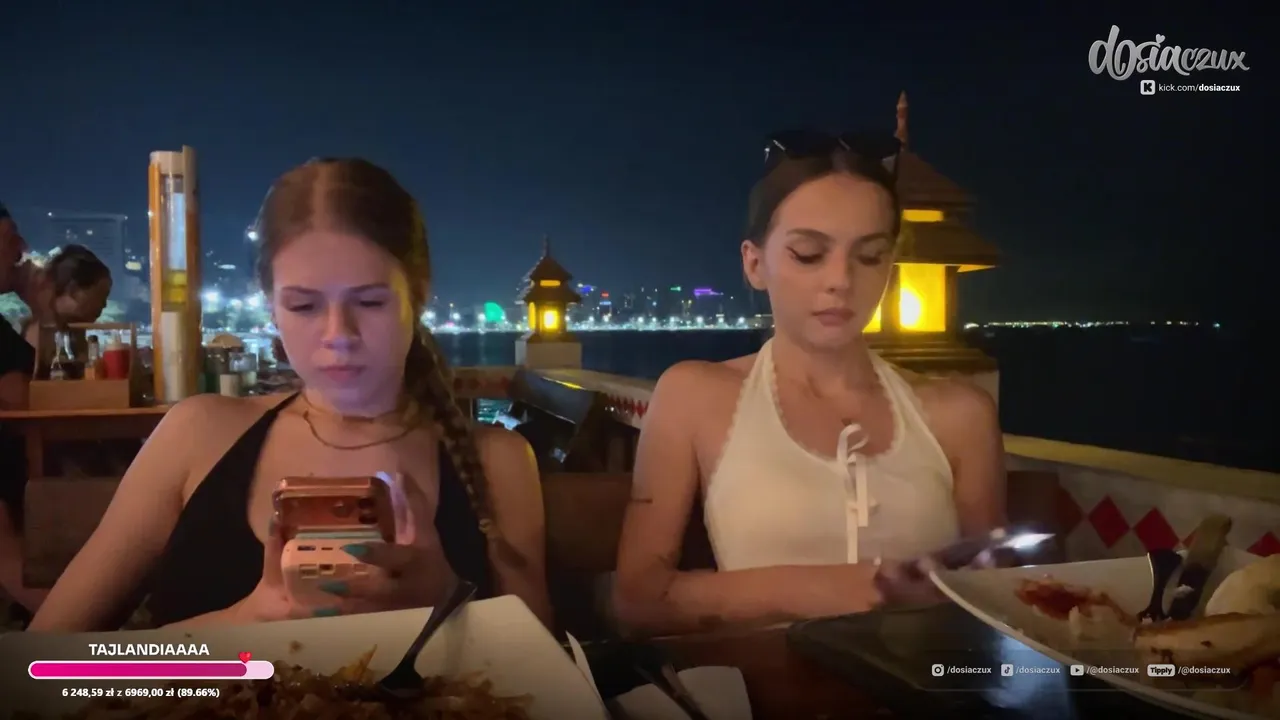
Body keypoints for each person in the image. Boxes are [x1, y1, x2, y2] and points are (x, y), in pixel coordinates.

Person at [29, 159, 553, 631]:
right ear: (271, 306)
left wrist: (450, 608)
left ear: (417, 296)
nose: (338, 335)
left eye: (370, 302)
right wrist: (246, 621)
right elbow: (41, 668)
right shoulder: (197, 436)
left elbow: (549, 682)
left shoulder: (497, 462)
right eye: (304, 306)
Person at [613, 132, 1007, 636]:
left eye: (869, 256)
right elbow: (637, 598)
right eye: (808, 254)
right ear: (754, 264)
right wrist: (851, 588)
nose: (840, 280)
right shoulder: (694, 395)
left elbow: (994, 599)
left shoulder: (960, 414)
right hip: (766, 678)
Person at [18, 244, 112, 374]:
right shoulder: (35, 334)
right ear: (73, 291)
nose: (104, 304)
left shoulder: (74, 332)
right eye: (100, 295)